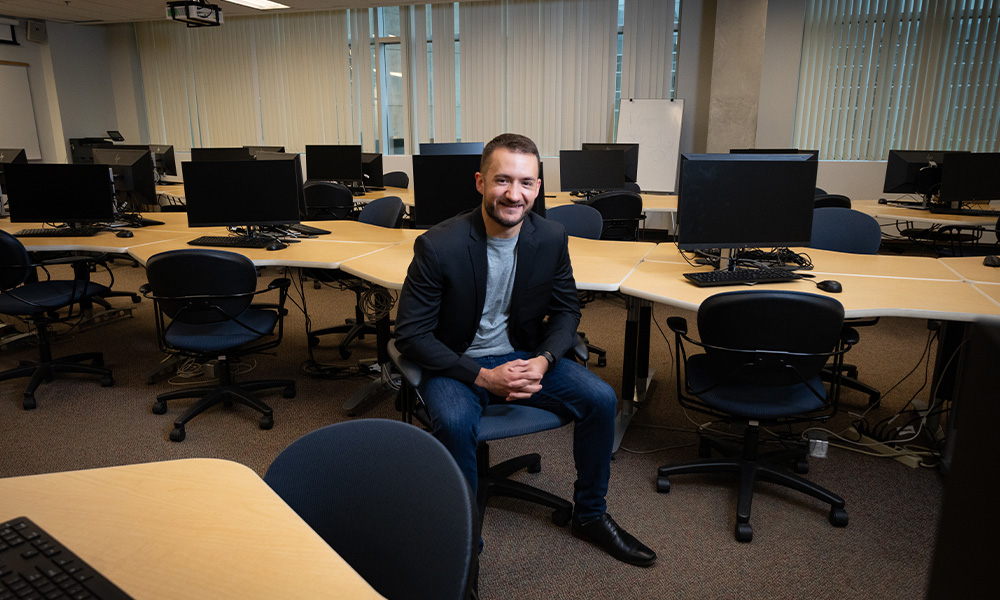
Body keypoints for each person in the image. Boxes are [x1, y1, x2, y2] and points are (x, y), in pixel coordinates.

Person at [394, 133, 656, 567]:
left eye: (526, 183)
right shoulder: (440, 244)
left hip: (523, 356)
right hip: (459, 364)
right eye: (502, 180)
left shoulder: (550, 237)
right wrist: (481, 376)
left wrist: (544, 359)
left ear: (538, 187)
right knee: (457, 422)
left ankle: (590, 515)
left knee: (601, 398)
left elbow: (567, 310)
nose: (514, 194)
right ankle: (463, 551)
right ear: (480, 182)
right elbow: (411, 334)